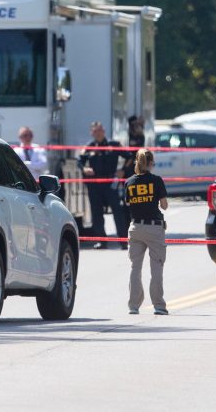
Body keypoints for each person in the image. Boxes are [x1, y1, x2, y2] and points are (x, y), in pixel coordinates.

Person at [125, 148, 169, 315]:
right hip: (154, 227)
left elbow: (129, 204)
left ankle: (133, 306)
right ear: (150, 164)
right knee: (156, 267)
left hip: (135, 227)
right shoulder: (156, 180)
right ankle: (158, 305)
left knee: (135, 267)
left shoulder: (128, 182)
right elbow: (164, 205)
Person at [78, 121, 128, 249]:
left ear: (104, 131)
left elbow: (130, 156)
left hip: (111, 183)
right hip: (95, 184)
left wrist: (123, 170)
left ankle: (123, 240)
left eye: (100, 130)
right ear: (92, 133)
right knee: (96, 213)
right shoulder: (89, 147)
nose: (98, 133)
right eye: (95, 131)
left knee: (118, 211)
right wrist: (84, 169)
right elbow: (80, 161)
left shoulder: (114, 145)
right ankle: (101, 240)